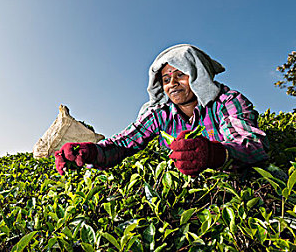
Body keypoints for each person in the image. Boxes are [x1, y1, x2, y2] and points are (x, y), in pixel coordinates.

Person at [55, 44, 269, 176]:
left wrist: (214, 154)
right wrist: (90, 152)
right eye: (166, 79)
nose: (172, 83)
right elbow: (122, 144)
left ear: (198, 75)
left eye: (180, 74)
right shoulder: (160, 114)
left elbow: (254, 145)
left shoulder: (227, 102)